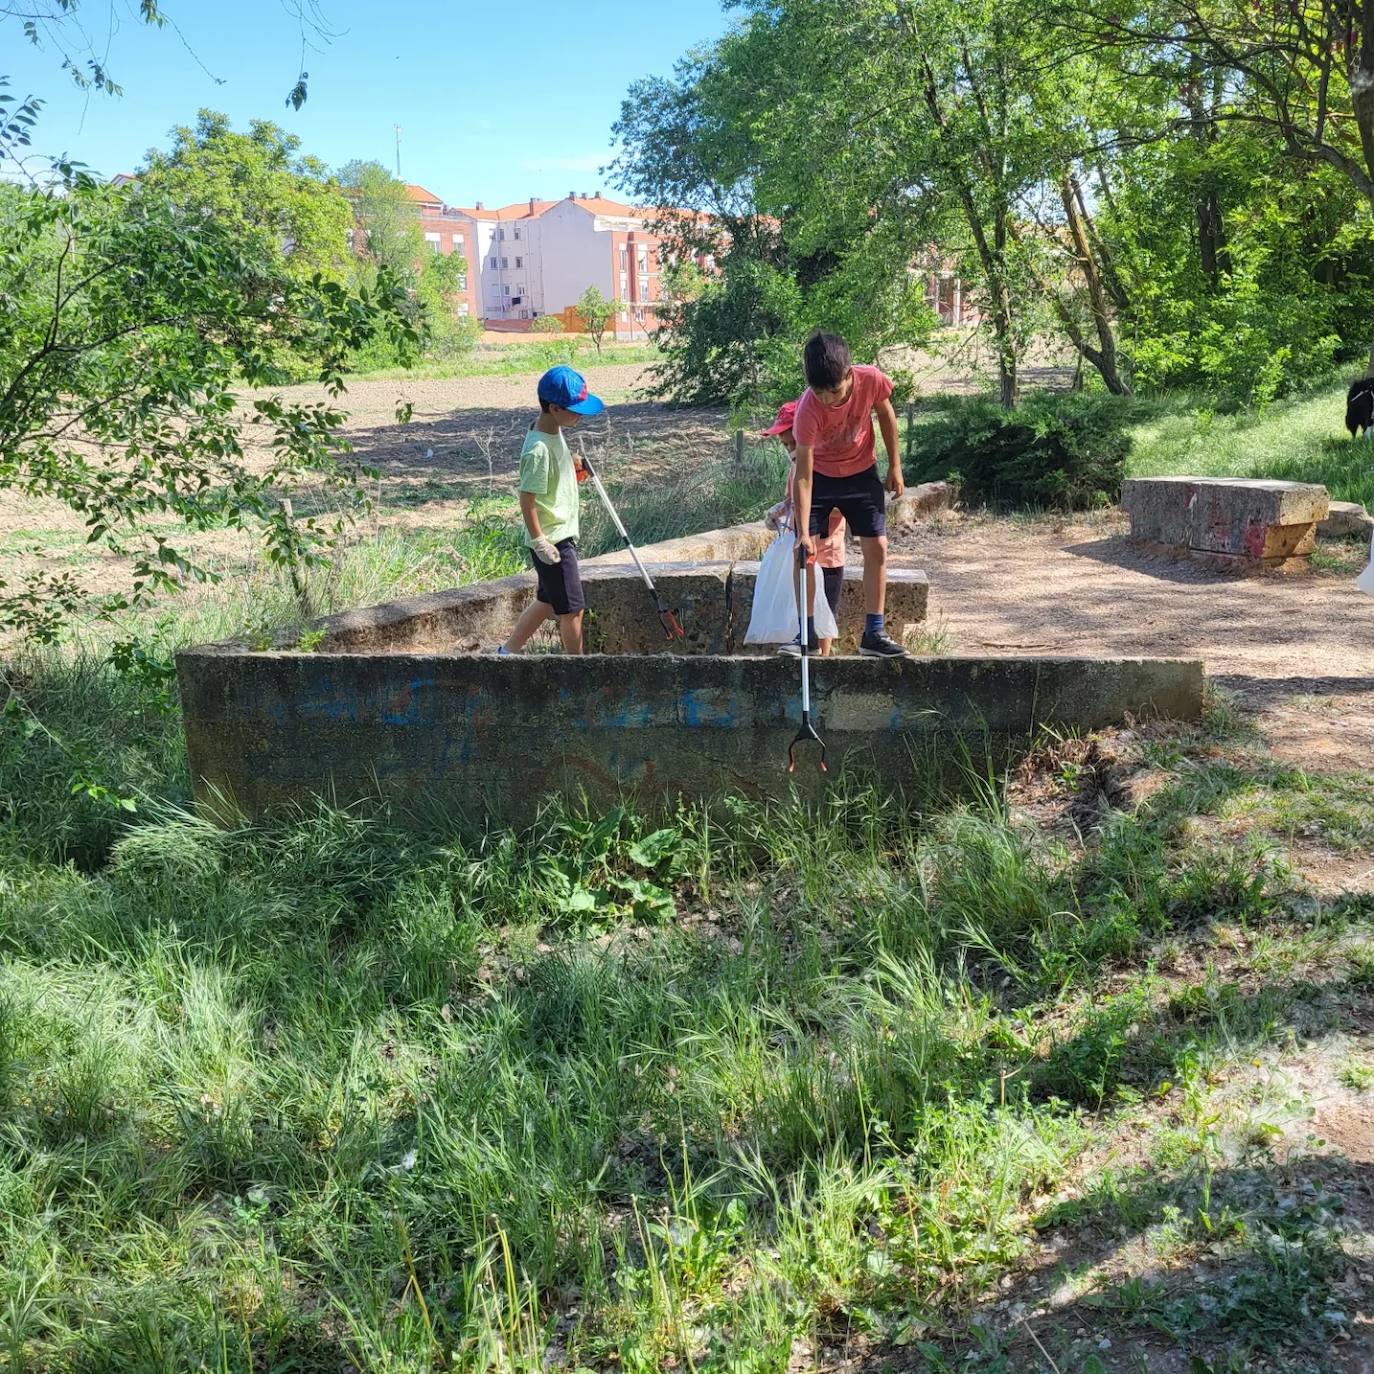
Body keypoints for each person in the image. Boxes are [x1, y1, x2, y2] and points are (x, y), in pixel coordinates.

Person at [791, 331, 907, 658]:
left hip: (861, 472)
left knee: (878, 547)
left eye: (834, 391)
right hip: (821, 477)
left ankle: (874, 632)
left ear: (849, 373)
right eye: (818, 392)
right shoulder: (807, 410)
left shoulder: (871, 380)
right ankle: (808, 634)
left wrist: (894, 466)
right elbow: (803, 475)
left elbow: (886, 414)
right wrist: (802, 533)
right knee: (802, 553)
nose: (827, 400)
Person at [499, 364, 604, 655]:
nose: (580, 415)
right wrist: (539, 540)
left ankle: (508, 652)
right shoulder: (537, 450)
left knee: (547, 602)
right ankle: (577, 670)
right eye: (574, 409)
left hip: (560, 531)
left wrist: (573, 462)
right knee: (573, 611)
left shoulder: (551, 430)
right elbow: (527, 498)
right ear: (555, 407)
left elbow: (555, 463)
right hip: (553, 540)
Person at [761, 399, 847, 656]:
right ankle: (803, 648)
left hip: (827, 552)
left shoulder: (830, 466)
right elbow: (792, 499)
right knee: (803, 611)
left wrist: (815, 508)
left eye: (793, 443)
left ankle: (824, 661)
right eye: (785, 445)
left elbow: (841, 508)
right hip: (801, 551)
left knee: (825, 617)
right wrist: (780, 510)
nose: (790, 450)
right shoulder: (795, 468)